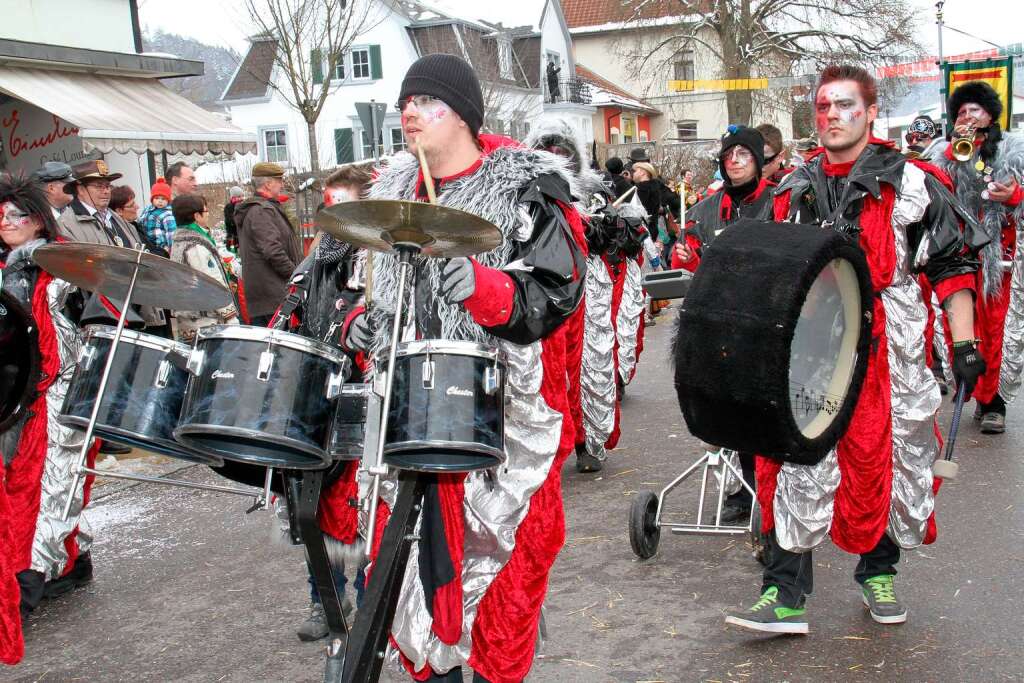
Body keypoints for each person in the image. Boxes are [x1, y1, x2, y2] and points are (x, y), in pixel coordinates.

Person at [343, 53, 586, 683]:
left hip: (496, 424)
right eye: (405, 104)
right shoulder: (389, 197)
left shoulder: (524, 192)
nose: (410, 114)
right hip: (406, 418)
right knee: (413, 582)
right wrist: (359, 326)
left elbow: (558, 292)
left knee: (498, 579)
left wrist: (487, 288)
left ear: (465, 117)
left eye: (428, 103)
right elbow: (359, 290)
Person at [725, 64, 985, 635]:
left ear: (869, 113)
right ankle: (783, 590)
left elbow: (953, 263)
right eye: (823, 107)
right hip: (810, 343)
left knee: (887, 455)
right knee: (794, 454)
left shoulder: (913, 182)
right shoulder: (790, 191)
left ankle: (879, 572)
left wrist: (964, 342)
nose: (833, 116)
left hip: (888, 345)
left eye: (845, 106)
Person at [270, 162, 373, 642]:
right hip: (318, 401)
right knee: (313, 507)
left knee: (368, 509)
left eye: (345, 207)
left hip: (368, 401)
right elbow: (288, 321)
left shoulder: (384, 258)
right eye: (328, 208)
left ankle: (374, 599)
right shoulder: (313, 261)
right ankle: (326, 598)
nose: (336, 219)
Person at [1, 177, 95, 660]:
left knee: (46, 488)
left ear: (37, 219)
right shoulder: (3, 267)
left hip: (58, 393)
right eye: (0, 215)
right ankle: (73, 561)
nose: (4, 223)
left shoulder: (63, 265)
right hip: (13, 395)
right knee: (22, 487)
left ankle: (25, 586)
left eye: (13, 215)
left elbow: (98, 324)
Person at [671, 125, 775, 523]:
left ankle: (767, 487)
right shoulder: (704, 210)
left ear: (758, 161)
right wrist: (683, 256)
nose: (734, 162)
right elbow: (690, 264)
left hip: (765, 323)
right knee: (721, 410)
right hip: (715, 323)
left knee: (761, 411)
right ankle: (737, 490)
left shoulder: (778, 204)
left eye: (743, 155)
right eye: (729, 155)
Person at [930, 80, 1024, 435]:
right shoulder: (944, 152)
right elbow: (933, 194)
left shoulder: (1016, 151)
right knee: (960, 325)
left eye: (976, 110)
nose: (969, 116)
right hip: (957, 253)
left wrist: (1014, 197)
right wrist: (954, 150)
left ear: (991, 115)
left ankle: (992, 402)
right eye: (963, 111)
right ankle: (969, 386)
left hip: (1000, 254)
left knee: (996, 328)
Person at [234, 162, 302, 327]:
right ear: (268, 184)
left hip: (272, 297)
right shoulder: (260, 211)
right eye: (279, 180)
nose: (282, 184)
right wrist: (297, 276)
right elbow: (273, 251)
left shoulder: (264, 209)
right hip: (272, 299)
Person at [168, 194, 239, 342]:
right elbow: (212, 281)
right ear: (197, 216)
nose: (208, 215)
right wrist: (230, 316)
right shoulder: (195, 245)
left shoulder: (180, 241)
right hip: (205, 322)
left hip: (191, 321)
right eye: (206, 211)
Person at [136, 179, 176, 252]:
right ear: (152, 199)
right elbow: (140, 222)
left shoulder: (168, 215)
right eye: (157, 198)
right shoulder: (147, 209)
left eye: (163, 199)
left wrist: (171, 249)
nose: (160, 201)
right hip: (146, 244)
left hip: (161, 247)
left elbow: (171, 233)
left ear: (168, 200)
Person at [223, 185, 244, 252]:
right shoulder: (229, 207)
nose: (241, 198)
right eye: (238, 197)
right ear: (233, 197)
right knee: (235, 251)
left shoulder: (244, 205)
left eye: (242, 196)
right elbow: (230, 221)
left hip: (243, 234)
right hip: (233, 234)